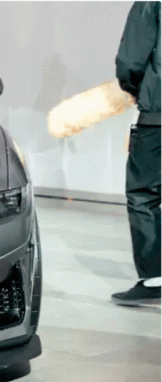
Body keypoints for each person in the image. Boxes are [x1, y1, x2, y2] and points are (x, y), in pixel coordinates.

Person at [111, 1, 161, 306]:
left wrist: (135, 89)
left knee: (144, 194)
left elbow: (132, 59)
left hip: (158, 116)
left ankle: (155, 279)